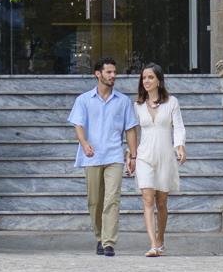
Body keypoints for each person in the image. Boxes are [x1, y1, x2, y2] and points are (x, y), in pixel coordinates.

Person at [67, 58, 140, 258]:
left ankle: (109, 242)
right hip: (91, 156)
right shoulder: (83, 100)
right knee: (94, 201)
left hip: (114, 156)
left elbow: (130, 129)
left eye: (114, 72)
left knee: (112, 199)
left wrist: (133, 156)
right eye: (108, 72)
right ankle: (99, 237)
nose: (113, 75)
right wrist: (84, 143)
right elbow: (78, 125)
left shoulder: (123, 101)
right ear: (98, 74)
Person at [129, 64, 187, 258]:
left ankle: (160, 239)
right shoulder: (137, 105)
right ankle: (153, 244)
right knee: (147, 199)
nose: (146, 81)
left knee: (161, 202)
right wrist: (131, 153)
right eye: (144, 77)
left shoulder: (172, 102)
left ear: (159, 81)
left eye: (150, 77)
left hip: (165, 156)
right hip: (144, 156)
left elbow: (178, 126)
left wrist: (180, 146)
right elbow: (133, 132)